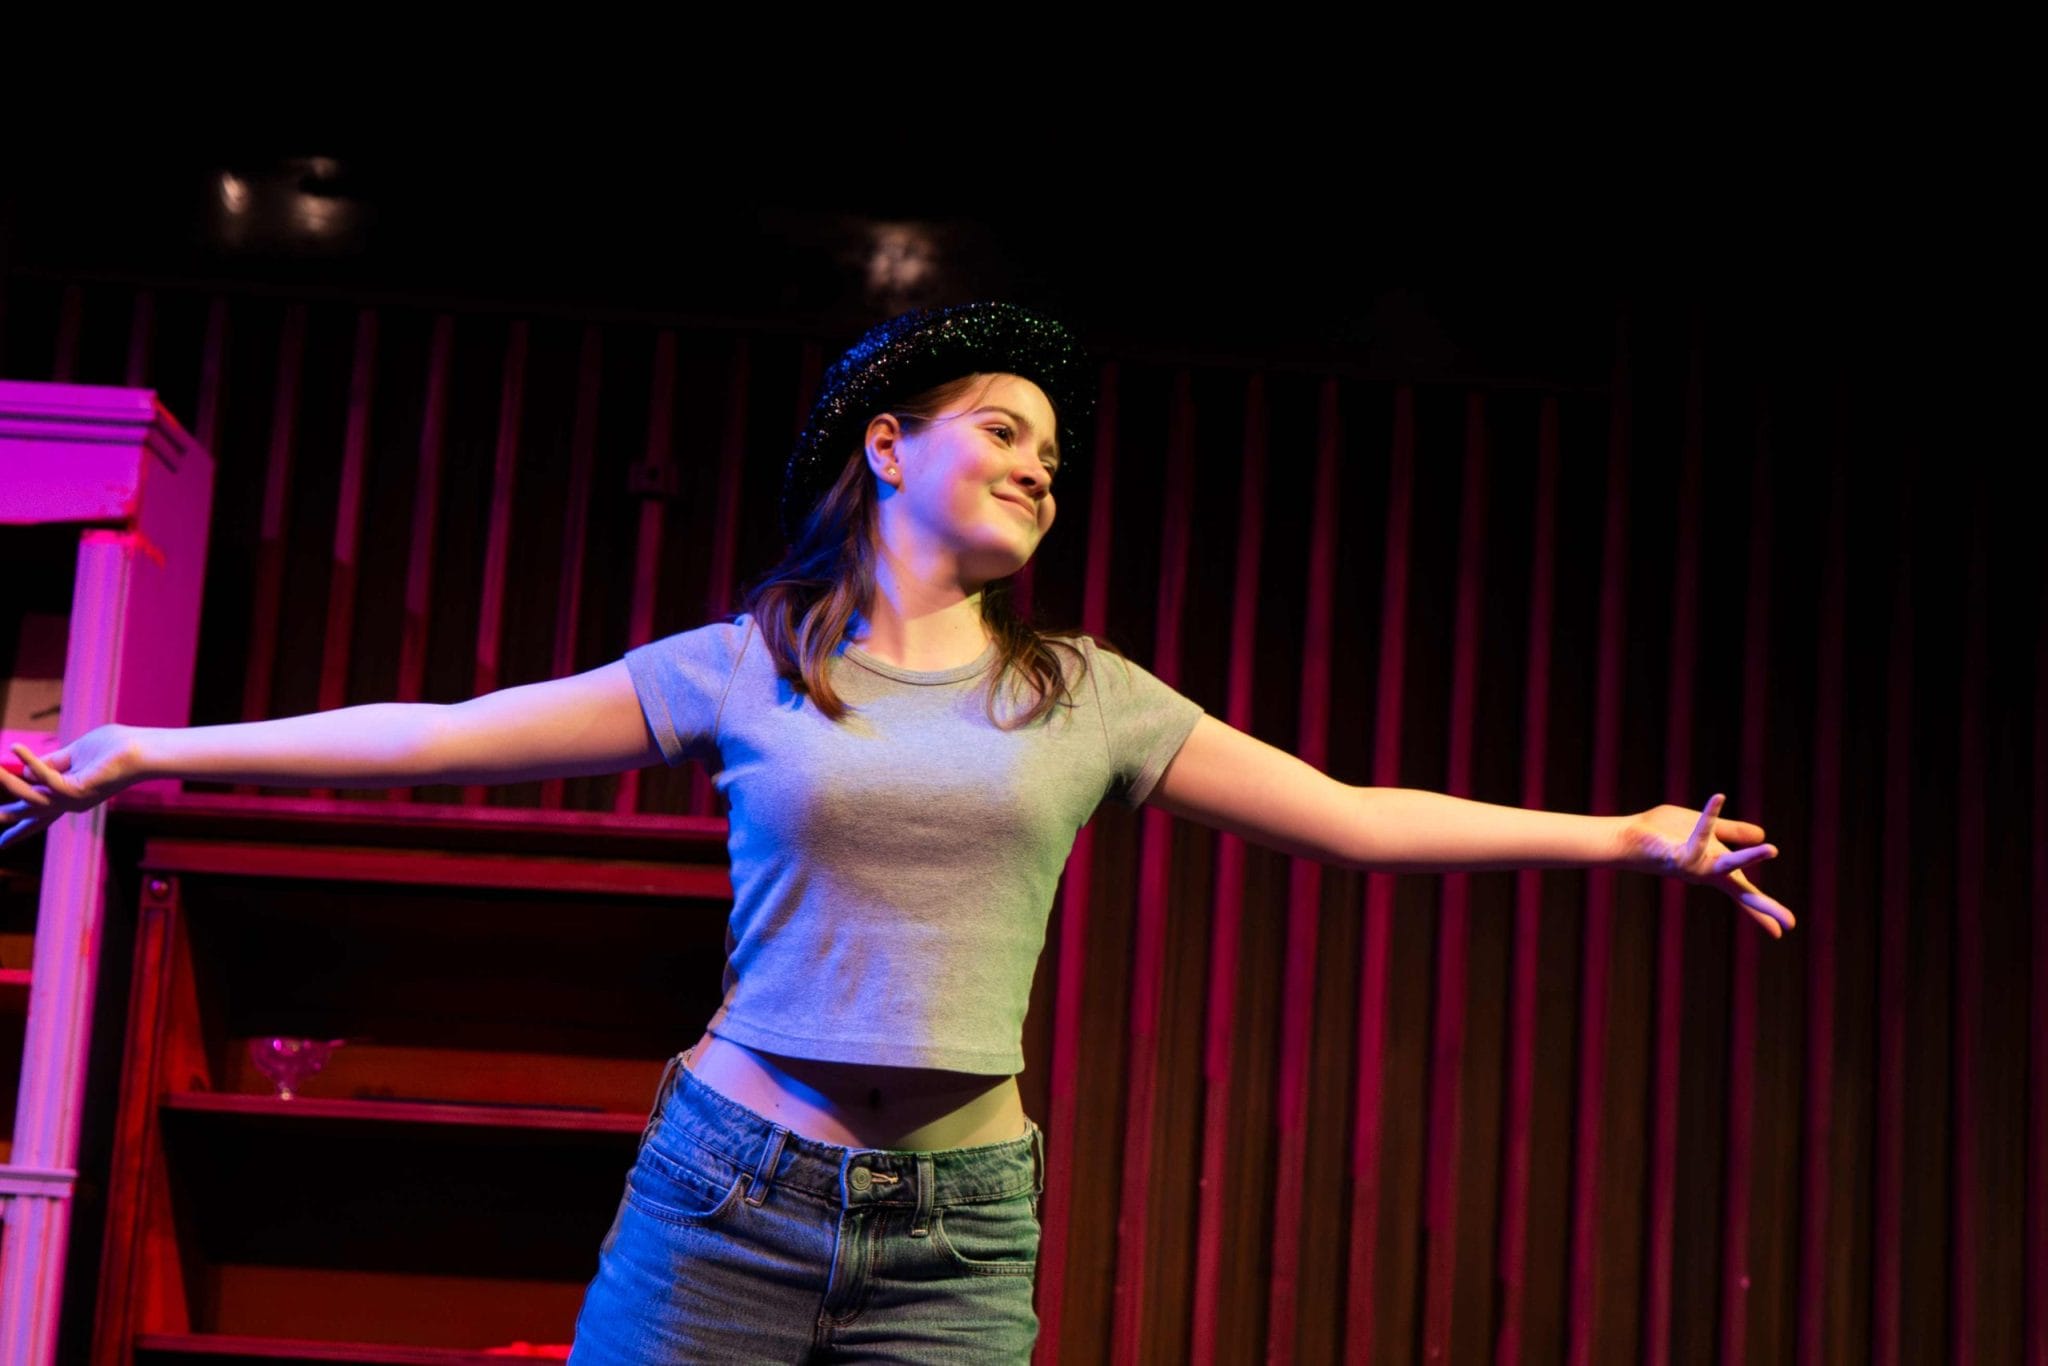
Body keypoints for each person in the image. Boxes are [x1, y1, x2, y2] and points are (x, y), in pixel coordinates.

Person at [0, 301, 1794, 1363]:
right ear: (885, 446)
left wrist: (1626, 834)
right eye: (1004, 430)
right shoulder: (741, 664)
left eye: (1057, 455)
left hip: (960, 1221)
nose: (1041, 465)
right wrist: (144, 742)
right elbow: (444, 734)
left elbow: (1349, 818)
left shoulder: (1090, 693)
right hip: (724, 1191)